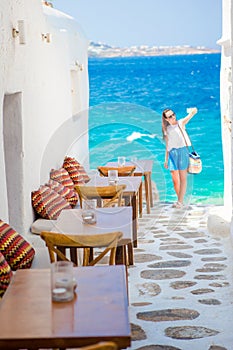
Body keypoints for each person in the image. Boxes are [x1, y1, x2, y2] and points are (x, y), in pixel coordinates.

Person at [162, 107, 198, 208]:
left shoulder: (180, 123)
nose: (173, 117)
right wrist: (166, 159)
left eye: (173, 114)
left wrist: (193, 112)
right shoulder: (167, 129)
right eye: (170, 116)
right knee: (175, 179)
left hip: (182, 151)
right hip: (172, 153)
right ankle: (181, 200)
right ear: (166, 119)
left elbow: (189, 116)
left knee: (183, 178)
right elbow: (167, 145)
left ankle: (180, 202)